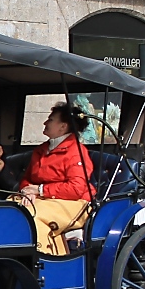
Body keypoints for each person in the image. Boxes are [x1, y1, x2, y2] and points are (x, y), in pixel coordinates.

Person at [13, 102, 95, 255]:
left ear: (63, 126)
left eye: (50, 119)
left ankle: (49, 264)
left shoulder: (76, 151)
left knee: (32, 217)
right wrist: (27, 191)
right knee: (8, 209)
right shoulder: (41, 149)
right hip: (45, 200)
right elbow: (27, 178)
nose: (45, 122)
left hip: (75, 202)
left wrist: (40, 190)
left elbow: (76, 189)